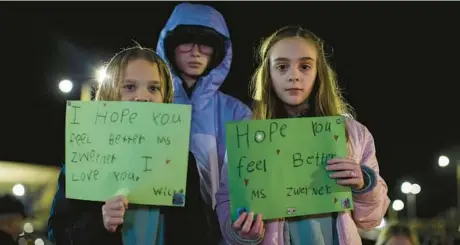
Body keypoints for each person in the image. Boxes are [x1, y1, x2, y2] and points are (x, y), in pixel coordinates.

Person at [215, 26, 391, 245]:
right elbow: (226, 199)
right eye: (282, 66)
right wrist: (240, 232)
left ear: (319, 73)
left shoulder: (352, 134)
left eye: (305, 66)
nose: (294, 76)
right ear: (268, 73)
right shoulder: (248, 135)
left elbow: (371, 219)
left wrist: (364, 184)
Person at [47, 46, 216, 245]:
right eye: (129, 87)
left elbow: (199, 233)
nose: (142, 96)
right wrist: (100, 222)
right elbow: (58, 232)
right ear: (110, 94)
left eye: (153, 88)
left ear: (165, 98)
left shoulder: (183, 161)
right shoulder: (85, 158)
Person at [156, 3, 252, 212]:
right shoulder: (150, 106)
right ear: (170, 46)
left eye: (206, 44)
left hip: (214, 229)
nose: (196, 53)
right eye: (186, 42)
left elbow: (243, 184)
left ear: (218, 51)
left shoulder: (237, 113)